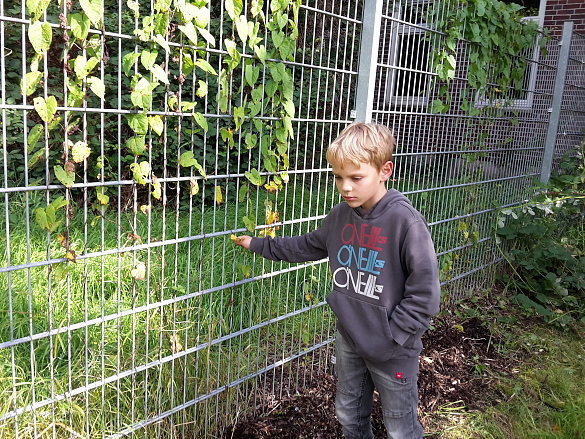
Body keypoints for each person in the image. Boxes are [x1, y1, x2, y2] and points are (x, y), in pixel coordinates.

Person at [234, 122, 441, 439]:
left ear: (384, 171)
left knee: (400, 428)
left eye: (356, 178)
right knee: (349, 414)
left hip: (393, 349)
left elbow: (424, 294)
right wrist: (259, 244)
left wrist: (392, 336)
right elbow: (306, 246)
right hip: (350, 338)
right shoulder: (340, 216)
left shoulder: (405, 223)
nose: (345, 187)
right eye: (338, 177)